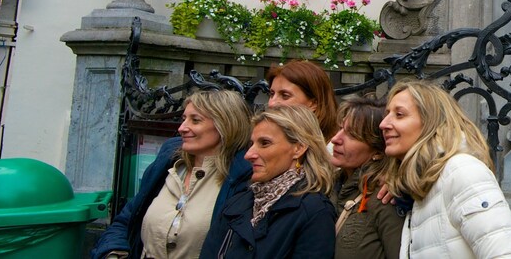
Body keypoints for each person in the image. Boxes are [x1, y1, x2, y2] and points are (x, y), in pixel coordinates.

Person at [91, 89, 253, 259]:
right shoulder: (166, 166)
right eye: (184, 119)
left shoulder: (242, 181)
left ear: (226, 126)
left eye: (195, 120)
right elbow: (126, 221)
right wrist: (113, 253)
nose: (182, 128)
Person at [380, 80, 511, 259]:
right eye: (387, 114)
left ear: (430, 122)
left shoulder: (461, 171)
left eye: (399, 115)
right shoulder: (420, 187)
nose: (383, 124)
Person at [201, 105, 337, 258]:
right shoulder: (237, 203)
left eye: (264, 143)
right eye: (251, 144)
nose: (249, 155)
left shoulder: (314, 212)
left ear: (299, 148)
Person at [330, 94, 406, 259]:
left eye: (351, 135)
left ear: (377, 151)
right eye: (340, 129)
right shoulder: (326, 187)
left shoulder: (384, 198)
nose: (335, 139)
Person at [266, 59, 340, 139]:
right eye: (272, 94)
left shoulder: (335, 144)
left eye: (285, 96)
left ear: (313, 103)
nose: (272, 103)